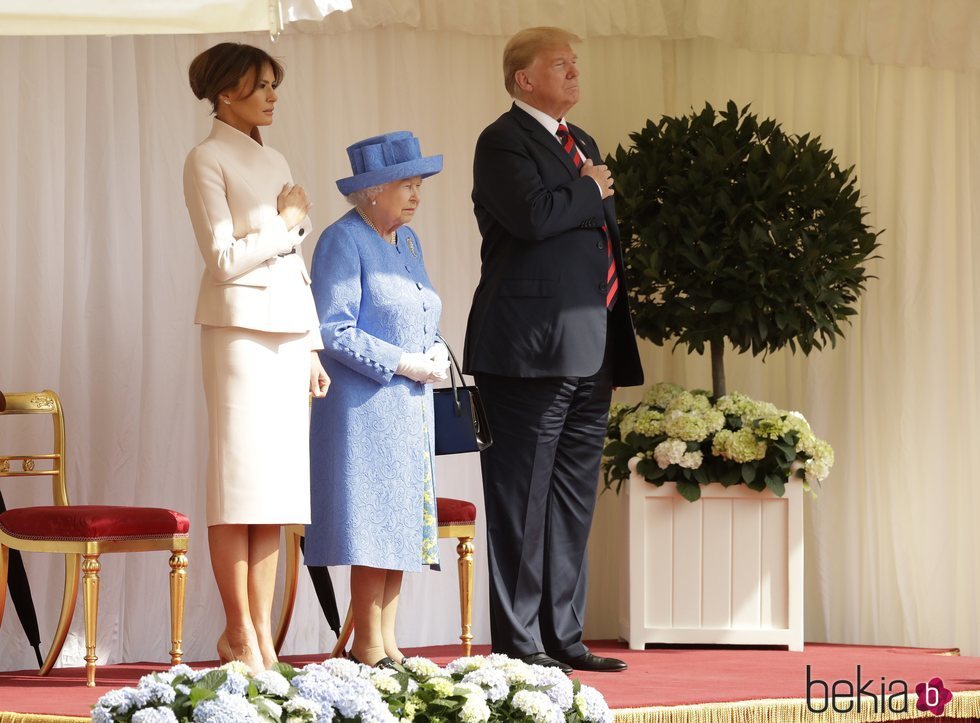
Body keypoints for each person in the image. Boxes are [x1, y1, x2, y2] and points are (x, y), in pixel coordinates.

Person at [463, 27, 644, 673]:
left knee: (571, 499)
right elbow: (535, 218)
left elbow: (599, 244)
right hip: (526, 351)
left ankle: (563, 635)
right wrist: (589, 187)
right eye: (560, 65)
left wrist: (611, 336)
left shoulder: (583, 142)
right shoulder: (502, 140)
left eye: (575, 65)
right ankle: (519, 641)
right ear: (523, 79)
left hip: (589, 346)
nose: (573, 75)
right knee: (521, 498)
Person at [183, 42, 329, 673]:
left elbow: (291, 265)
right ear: (225, 91)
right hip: (239, 333)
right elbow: (222, 259)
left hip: (289, 334)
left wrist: (314, 345)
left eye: (275, 84)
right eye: (261, 84)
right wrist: (288, 221)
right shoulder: (205, 158)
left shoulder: (277, 157)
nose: (273, 95)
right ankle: (239, 632)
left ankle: (263, 637)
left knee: (276, 493)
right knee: (237, 486)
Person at [304, 131, 449, 668]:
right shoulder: (343, 240)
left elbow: (422, 309)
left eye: (418, 186)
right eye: (405, 186)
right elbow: (332, 329)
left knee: (404, 523)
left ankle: (388, 640)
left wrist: (433, 348)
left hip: (409, 408)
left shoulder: (407, 242)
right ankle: (368, 644)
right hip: (363, 408)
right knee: (373, 524)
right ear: (370, 192)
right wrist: (402, 361)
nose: (416, 196)